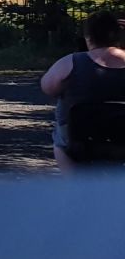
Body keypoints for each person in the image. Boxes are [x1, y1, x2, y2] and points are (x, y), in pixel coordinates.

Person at [40, 10, 125, 170]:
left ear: (88, 38)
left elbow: (48, 88)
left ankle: (76, 186)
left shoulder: (71, 61)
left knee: (60, 141)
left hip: (81, 138)